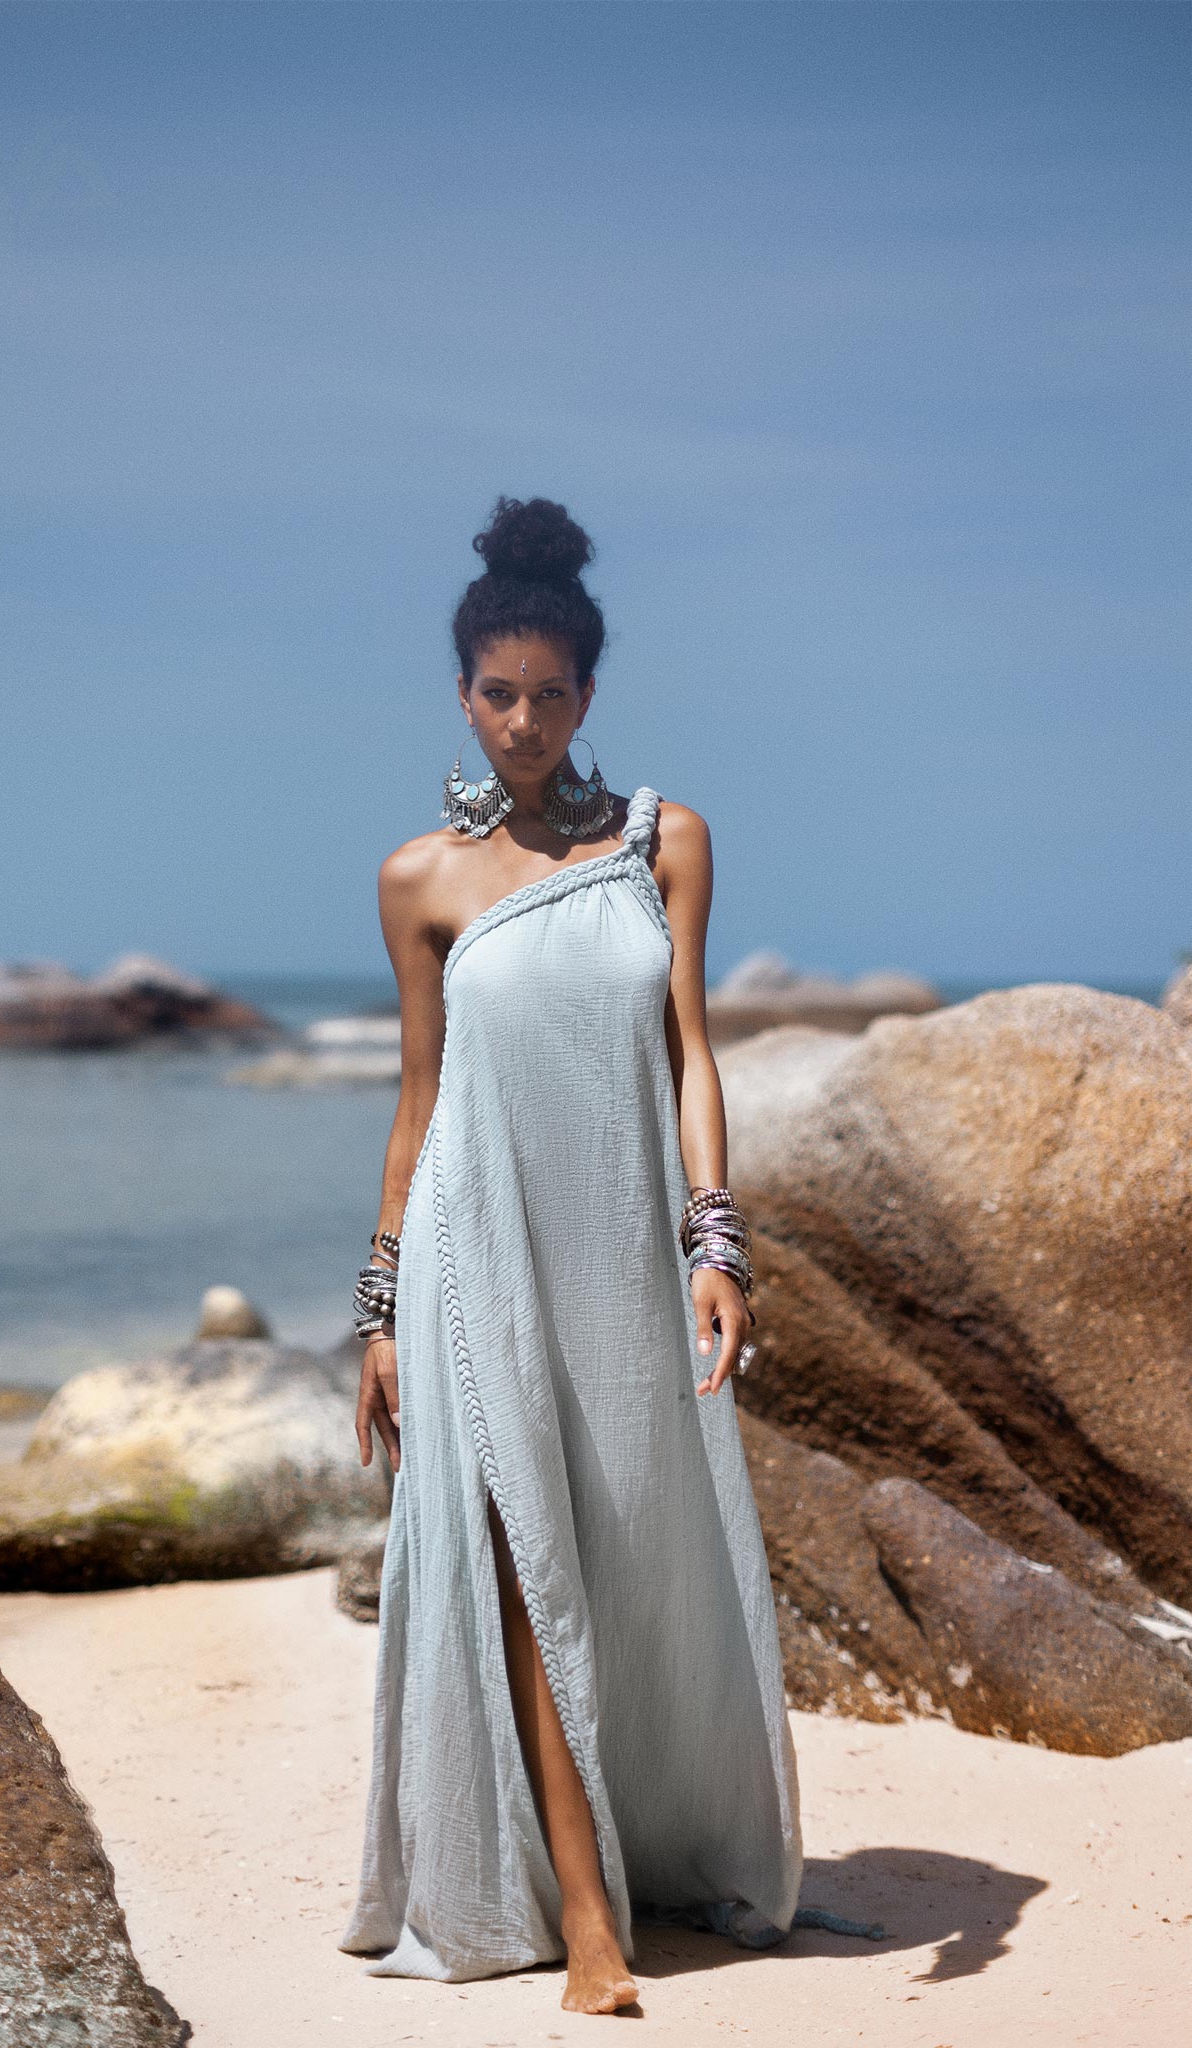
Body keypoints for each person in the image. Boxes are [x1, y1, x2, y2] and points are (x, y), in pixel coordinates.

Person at [339, 496, 874, 2016]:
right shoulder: (418, 880)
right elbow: (419, 1098)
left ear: (588, 695)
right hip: (471, 1246)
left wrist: (719, 1244)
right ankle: (580, 1915)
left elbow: (690, 1051)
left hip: (622, 1247)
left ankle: (642, 1846)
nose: (520, 721)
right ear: (461, 694)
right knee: (518, 1548)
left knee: (629, 1542)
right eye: (495, 695)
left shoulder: (662, 841)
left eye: (548, 695)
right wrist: (379, 1310)